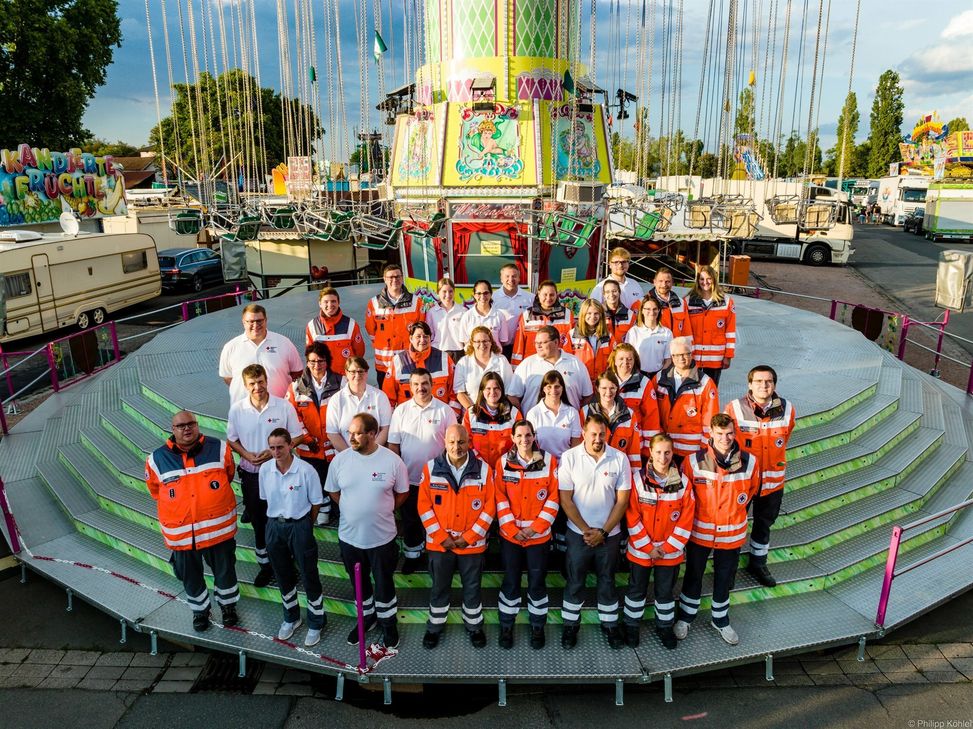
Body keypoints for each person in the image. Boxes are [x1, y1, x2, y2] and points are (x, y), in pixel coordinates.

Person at [145, 411, 240, 632]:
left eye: (191, 424)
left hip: (218, 531)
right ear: (173, 430)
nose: (187, 428)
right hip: (182, 535)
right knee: (190, 577)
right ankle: (200, 611)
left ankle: (228, 607)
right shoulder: (156, 459)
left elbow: (228, 475)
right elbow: (155, 491)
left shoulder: (220, 448)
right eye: (181, 426)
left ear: (197, 425)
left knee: (225, 571)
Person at [674, 414, 761, 645]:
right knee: (693, 575)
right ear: (710, 433)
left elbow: (750, 492)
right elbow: (684, 498)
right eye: (720, 433)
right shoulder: (693, 461)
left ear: (735, 432)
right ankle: (685, 617)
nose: (725, 438)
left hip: (731, 535)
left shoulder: (750, 462)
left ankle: (721, 620)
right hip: (699, 533)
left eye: (729, 433)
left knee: (724, 578)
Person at [325, 413, 411, 649]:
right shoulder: (340, 461)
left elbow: (403, 492)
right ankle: (366, 619)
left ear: (372, 434)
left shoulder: (392, 461)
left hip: (382, 540)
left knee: (384, 584)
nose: (351, 437)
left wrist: (384, 509)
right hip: (350, 540)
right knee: (359, 585)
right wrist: (350, 508)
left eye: (357, 433)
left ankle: (388, 624)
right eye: (349, 432)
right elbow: (333, 490)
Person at [558, 414, 632, 649]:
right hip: (578, 534)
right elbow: (566, 500)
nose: (598, 439)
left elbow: (622, 501)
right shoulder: (569, 457)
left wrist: (604, 532)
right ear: (583, 433)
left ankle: (610, 625)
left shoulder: (619, 458)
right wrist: (586, 530)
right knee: (574, 581)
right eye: (593, 434)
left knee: (607, 580)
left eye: (602, 434)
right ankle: (570, 626)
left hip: (609, 535)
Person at [226, 364, 305, 586]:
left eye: (260, 382)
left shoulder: (283, 406)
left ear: (266, 381)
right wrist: (246, 455)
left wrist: (274, 453)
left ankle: (287, 565)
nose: (257, 387)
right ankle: (266, 567)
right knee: (259, 523)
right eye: (252, 383)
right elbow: (232, 439)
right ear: (245, 385)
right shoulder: (237, 410)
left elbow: (297, 436)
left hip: (282, 475)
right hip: (252, 475)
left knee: (284, 520)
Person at [418, 425, 495, 649]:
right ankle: (434, 627)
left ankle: (474, 626)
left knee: (472, 588)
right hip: (440, 545)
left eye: (461, 442)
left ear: (469, 442)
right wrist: (441, 537)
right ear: (444, 442)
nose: (456, 447)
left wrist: (469, 537)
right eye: (452, 442)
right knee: (439, 588)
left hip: (472, 545)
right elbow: (424, 506)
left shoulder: (484, 469)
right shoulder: (430, 468)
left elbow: (489, 508)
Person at [724, 365, 796, 588]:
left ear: (774, 384)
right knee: (734, 524)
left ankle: (758, 563)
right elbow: (725, 443)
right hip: (742, 482)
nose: (764, 385)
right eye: (758, 381)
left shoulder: (787, 409)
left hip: (772, 483)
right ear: (749, 384)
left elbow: (785, 438)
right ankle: (728, 568)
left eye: (768, 381)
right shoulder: (734, 408)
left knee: (764, 524)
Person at [622, 433, 695, 649]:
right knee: (636, 590)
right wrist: (647, 547)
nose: (663, 457)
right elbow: (631, 516)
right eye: (659, 452)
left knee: (665, 593)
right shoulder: (637, 480)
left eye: (667, 452)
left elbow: (686, 520)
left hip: (669, 553)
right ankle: (631, 625)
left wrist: (666, 548)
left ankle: (664, 627)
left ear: (673, 453)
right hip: (641, 551)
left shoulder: (683, 483)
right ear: (651, 453)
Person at [494, 419, 560, 650]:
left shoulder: (549, 461)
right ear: (513, 438)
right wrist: (513, 529)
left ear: (534, 437)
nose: (524, 440)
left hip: (538, 538)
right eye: (520, 436)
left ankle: (537, 626)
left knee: (537, 583)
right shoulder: (503, 462)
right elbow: (499, 497)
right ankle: (506, 625)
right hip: (510, 537)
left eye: (528, 435)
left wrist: (535, 528)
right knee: (511, 582)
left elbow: (553, 497)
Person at [259, 429, 326, 646]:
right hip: (274, 526)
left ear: (290, 445)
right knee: (282, 574)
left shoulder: (306, 470)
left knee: (308, 574)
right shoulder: (265, 470)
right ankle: (291, 617)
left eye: (280, 447)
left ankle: (316, 622)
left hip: (299, 525)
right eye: (272, 447)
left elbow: (316, 502)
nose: (276, 452)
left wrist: (305, 525)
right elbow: (265, 498)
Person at [388, 369, 458, 573]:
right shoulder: (401, 411)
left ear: (432, 385)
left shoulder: (445, 411)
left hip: (438, 480)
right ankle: (413, 555)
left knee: (439, 520)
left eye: (425, 383)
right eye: (416, 384)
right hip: (409, 479)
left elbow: (453, 445)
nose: (421, 388)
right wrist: (397, 477)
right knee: (411, 520)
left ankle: (437, 557)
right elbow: (393, 446)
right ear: (410, 387)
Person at [288, 342, 342, 525]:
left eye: (320, 361)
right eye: (312, 361)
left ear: (327, 361)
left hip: (334, 447)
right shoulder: (295, 387)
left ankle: (338, 510)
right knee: (316, 481)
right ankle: (323, 509)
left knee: (337, 481)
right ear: (307, 362)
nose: (316, 365)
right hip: (309, 448)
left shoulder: (341, 383)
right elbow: (292, 416)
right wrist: (307, 438)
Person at [652, 337, 719, 464]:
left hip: (691, 450)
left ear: (691, 354)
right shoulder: (660, 378)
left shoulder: (705, 383)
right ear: (672, 357)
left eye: (685, 354)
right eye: (677, 355)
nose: (682, 358)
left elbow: (710, 420)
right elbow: (652, 412)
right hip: (665, 449)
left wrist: (705, 449)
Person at [219, 304, 303, 402]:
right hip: (243, 408)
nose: (255, 325)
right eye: (251, 321)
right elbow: (228, 378)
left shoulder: (284, 343)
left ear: (265, 320)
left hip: (280, 406)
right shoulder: (230, 347)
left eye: (259, 321)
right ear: (243, 322)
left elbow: (297, 373)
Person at [365, 263, 425, 387]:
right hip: (384, 363)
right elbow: (371, 331)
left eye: (397, 276)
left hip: (409, 361)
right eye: (390, 277)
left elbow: (421, 330)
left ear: (402, 278)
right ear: (384, 279)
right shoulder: (374, 303)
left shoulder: (416, 302)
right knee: (385, 396)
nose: (394, 280)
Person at [508, 325, 593, 411]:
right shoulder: (526, 364)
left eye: (543, 342)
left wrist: (580, 415)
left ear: (556, 342)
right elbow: (513, 396)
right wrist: (522, 417)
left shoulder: (575, 363)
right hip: (534, 419)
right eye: (536, 343)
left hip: (569, 419)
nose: (538, 346)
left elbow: (588, 395)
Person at [325, 356, 393, 453]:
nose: (357, 375)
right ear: (346, 373)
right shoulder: (336, 400)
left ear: (366, 373)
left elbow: (385, 428)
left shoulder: (380, 396)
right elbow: (332, 433)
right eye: (353, 372)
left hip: (375, 455)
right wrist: (351, 456)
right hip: (346, 457)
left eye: (361, 371)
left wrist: (372, 452)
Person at [606, 344, 662, 460]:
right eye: (621, 359)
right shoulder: (605, 380)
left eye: (629, 359)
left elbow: (651, 417)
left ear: (634, 361)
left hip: (635, 444)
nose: (625, 362)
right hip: (609, 444)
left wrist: (648, 448)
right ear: (614, 361)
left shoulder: (644, 383)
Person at [382, 321, 454, 409]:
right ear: (411, 338)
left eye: (426, 336)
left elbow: (454, 393)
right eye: (418, 336)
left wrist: (452, 414)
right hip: (408, 415)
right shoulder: (398, 361)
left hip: (439, 414)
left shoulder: (444, 358)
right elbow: (388, 398)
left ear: (430, 338)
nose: (422, 340)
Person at [684, 265, 736, 384]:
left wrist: (728, 356)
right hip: (693, 358)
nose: (705, 282)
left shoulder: (726, 302)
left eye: (709, 279)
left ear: (714, 279)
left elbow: (730, 331)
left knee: (711, 390)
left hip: (715, 359)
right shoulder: (688, 302)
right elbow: (684, 331)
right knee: (691, 390)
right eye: (702, 279)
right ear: (697, 280)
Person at [581, 372, 642, 469]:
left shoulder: (629, 414)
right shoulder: (585, 412)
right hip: (592, 467)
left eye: (612, 388)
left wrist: (635, 473)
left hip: (619, 468)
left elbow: (633, 450)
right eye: (604, 388)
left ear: (617, 388)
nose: (608, 392)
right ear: (597, 388)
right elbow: (580, 446)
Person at [463, 371, 522, 469]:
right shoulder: (471, 414)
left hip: (506, 467)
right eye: (488, 388)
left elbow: (519, 442)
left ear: (502, 390)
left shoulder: (514, 414)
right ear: (482, 391)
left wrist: (503, 462)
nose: (492, 392)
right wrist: (480, 462)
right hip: (477, 467)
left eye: (496, 388)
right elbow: (466, 442)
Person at [304, 287, 366, 376]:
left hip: (345, 378)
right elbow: (310, 356)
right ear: (320, 304)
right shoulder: (312, 326)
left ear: (338, 302)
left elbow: (359, 352)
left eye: (333, 301)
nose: (330, 305)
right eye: (326, 302)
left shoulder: (351, 324)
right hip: (322, 378)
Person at [511, 280, 575, 365]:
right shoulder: (527, 315)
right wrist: (516, 368)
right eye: (545, 294)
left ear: (556, 295)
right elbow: (519, 345)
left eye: (552, 295)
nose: (548, 298)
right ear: (539, 294)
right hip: (533, 365)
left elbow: (573, 343)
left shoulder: (567, 314)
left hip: (559, 364)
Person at [453, 326, 514, 413]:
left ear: (491, 342)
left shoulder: (502, 361)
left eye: (485, 341)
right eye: (478, 341)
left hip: (498, 413)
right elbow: (460, 392)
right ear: (472, 343)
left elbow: (508, 390)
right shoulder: (463, 363)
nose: (482, 345)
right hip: (472, 413)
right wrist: (474, 412)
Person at [525, 370, 583, 459]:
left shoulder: (572, 412)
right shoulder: (533, 413)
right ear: (543, 389)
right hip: (542, 463)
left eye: (557, 386)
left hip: (565, 464)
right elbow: (531, 445)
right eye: (549, 387)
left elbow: (575, 444)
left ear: (562, 388)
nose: (553, 390)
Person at [493, 263, 534, 360]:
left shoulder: (530, 298)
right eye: (507, 276)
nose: (511, 279)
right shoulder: (493, 297)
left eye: (514, 276)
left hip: (523, 346)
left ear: (519, 278)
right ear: (501, 279)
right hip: (500, 347)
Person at [626, 295, 673, 378]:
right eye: (648, 309)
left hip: (659, 376)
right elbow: (628, 357)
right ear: (642, 311)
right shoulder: (633, 332)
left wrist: (658, 376)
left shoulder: (667, 333)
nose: (652, 312)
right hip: (638, 375)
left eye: (655, 309)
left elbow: (668, 360)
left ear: (659, 310)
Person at [566, 299, 612, 382]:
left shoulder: (608, 336)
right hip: (580, 382)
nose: (592, 316)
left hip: (602, 383)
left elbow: (613, 361)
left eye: (596, 313)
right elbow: (566, 362)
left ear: (601, 315)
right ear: (583, 314)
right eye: (589, 313)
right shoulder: (572, 335)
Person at [426, 276, 466, 361]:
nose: (448, 295)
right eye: (444, 291)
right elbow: (430, 335)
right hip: (438, 352)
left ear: (454, 292)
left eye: (450, 291)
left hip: (458, 353)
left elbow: (466, 336)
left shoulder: (463, 311)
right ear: (438, 292)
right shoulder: (432, 312)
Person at [458, 280, 507, 348]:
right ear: (474, 295)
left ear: (491, 294)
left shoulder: (499, 315)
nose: (482, 296)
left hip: (494, 354)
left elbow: (503, 341)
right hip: (472, 354)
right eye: (479, 293)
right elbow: (464, 341)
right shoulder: (467, 316)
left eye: (485, 293)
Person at [645, 267, 690, 337]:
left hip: (676, 343)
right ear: (654, 282)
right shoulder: (643, 303)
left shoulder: (681, 303)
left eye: (667, 281)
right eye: (660, 281)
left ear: (672, 283)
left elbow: (687, 332)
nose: (664, 285)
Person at [602, 278, 637, 346]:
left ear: (619, 292)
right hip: (605, 352)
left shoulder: (630, 315)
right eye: (607, 292)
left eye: (614, 291)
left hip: (624, 351)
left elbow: (635, 339)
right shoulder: (598, 314)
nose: (611, 294)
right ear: (604, 294)